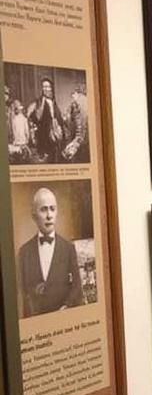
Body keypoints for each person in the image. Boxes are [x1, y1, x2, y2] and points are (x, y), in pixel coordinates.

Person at [17, 186, 84, 317]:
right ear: (34, 215)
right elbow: (22, 294)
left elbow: (77, 288)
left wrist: (66, 307)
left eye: (52, 209)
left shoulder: (68, 248)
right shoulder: (24, 252)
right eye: (43, 209)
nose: (49, 215)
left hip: (64, 322)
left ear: (57, 212)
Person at [26, 76, 64, 162]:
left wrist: (59, 124)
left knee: (55, 152)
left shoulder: (53, 100)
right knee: (46, 154)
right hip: (44, 131)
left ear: (51, 88)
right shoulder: (39, 101)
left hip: (55, 130)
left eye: (48, 86)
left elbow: (58, 115)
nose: (46, 89)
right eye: (44, 87)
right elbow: (36, 116)